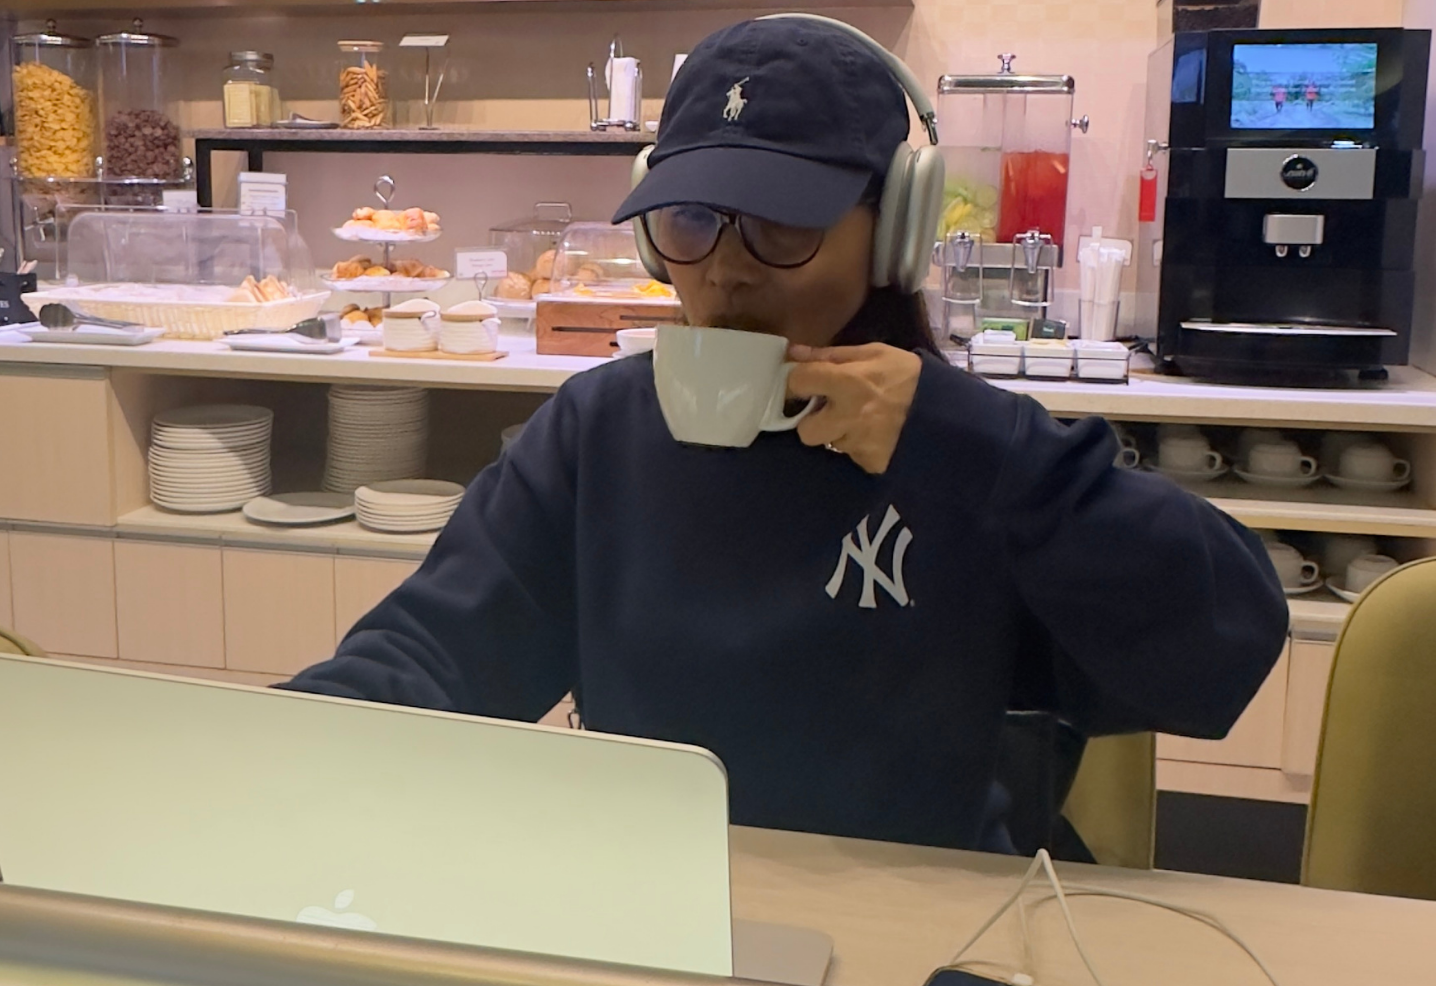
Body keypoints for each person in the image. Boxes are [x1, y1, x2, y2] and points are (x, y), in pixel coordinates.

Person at [282, 17, 1288, 853]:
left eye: (780, 226)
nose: (724, 272)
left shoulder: (969, 457)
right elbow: (431, 657)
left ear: (894, 225)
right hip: (663, 912)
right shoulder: (599, 434)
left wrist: (978, 447)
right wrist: (263, 749)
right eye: (689, 222)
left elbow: (1224, 648)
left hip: (921, 917)